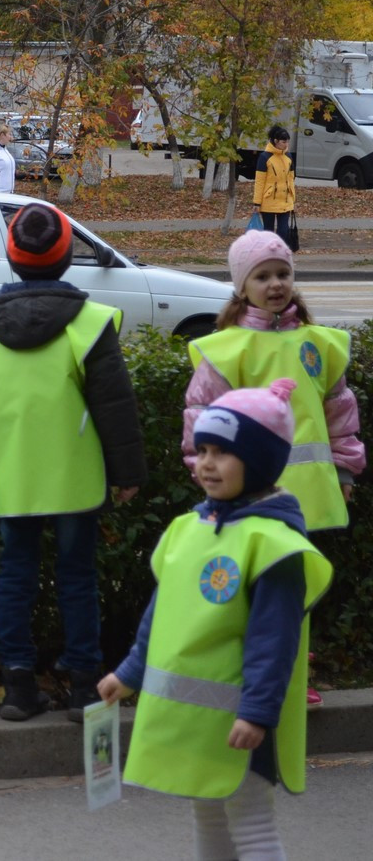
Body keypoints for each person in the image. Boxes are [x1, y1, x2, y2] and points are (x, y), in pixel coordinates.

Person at [100, 379, 331, 861]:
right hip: (198, 724)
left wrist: (258, 713)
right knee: (207, 814)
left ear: (262, 460)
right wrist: (128, 673)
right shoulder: (189, 528)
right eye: (201, 449)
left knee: (252, 826)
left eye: (222, 453)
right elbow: (162, 615)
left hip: (241, 722)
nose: (206, 463)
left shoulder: (273, 546)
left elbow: (275, 640)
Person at [0, 202, 147, 722]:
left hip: (10, 477)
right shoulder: (89, 324)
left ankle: (18, 685)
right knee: (77, 577)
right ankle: (84, 684)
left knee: (15, 575)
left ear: (11, 257)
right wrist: (127, 473)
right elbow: (114, 404)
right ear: (66, 257)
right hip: (75, 477)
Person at [184, 230, 363, 706]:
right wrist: (206, 473)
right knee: (250, 589)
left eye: (283, 273)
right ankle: (250, 677)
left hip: (307, 495)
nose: (275, 283)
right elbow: (201, 419)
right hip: (248, 494)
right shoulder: (227, 349)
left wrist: (344, 471)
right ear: (242, 286)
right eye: (262, 276)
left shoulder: (318, 346)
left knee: (294, 592)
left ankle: (290, 676)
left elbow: (338, 412)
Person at [252, 125, 296, 249]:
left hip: (285, 201)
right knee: (268, 232)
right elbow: (259, 181)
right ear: (275, 141)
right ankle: (268, 254)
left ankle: (278, 253)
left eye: (287, 141)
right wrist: (257, 203)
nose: (286, 144)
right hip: (269, 201)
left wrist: (293, 199)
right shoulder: (265, 157)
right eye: (284, 142)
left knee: (283, 231)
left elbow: (291, 179)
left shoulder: (288, 156)